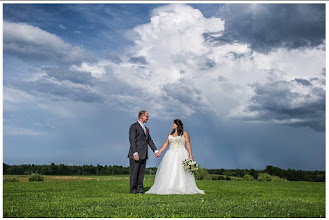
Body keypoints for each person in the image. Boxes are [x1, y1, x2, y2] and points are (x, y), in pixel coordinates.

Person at [145, 119, 204, 195]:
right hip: (171, 153)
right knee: (170, 170)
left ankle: (181, 186)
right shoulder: (170, 133)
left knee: (181, 171)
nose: (172, 125)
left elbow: (188, 144)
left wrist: (190, 155)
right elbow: (166, 144)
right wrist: (159, 151)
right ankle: (169, 186)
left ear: (177, 125)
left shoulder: (185, 133)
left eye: (174, 124)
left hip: (181, 153)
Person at [128, 111, 161, 194]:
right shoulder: (134, 126)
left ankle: (140, 189)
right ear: (142, 116)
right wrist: (135, 153)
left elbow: (149, 140)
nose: (148, 118)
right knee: (134, 172)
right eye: (147, 116)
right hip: (136, 154)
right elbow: (132, 140)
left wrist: (155, 150)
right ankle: (133, 190)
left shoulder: (146, 128)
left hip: (144, 154)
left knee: (141, 173)